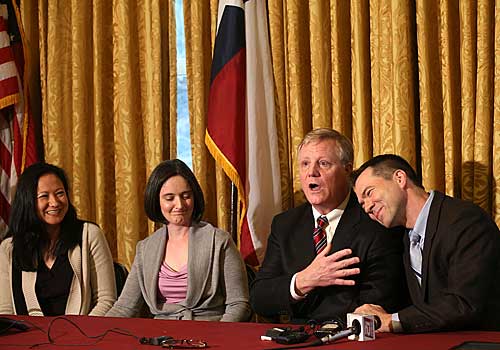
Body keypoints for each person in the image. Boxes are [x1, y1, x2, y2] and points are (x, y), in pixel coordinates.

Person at [250, 128, 408, 323]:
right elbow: (260, 298)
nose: (311, 173)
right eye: (305, 164)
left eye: (323, 164)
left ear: (347, 170)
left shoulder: (376, 218)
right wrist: (303, 281)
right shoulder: (285, 224)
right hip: (295, 340)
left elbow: (380, 300)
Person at [353, 154, 500, 332]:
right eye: (362, 204)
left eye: (369, 193)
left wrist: (392, 320)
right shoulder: (402, 237)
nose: (367, 207)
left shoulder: (466, 221)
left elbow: (464, 303)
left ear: (400, 178)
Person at [106, 159, 251, 321]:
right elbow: (125, 307)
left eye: (186, 196)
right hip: (161, 337)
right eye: (169, 198)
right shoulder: (145, 249)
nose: (179, 205)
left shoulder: (219, 241)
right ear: (156, 201)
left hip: (210, 336)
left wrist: (220, 336)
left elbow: (239, 304)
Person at [0, 163, 116, 316]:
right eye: (44, 196)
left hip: (83, 335)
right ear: (28, 202)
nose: (54, 202)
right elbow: (5, 310)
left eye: (60, 193)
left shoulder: (89, 235)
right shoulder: (9, 248)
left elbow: (106, 300)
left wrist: (80, 334)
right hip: (28, 337)